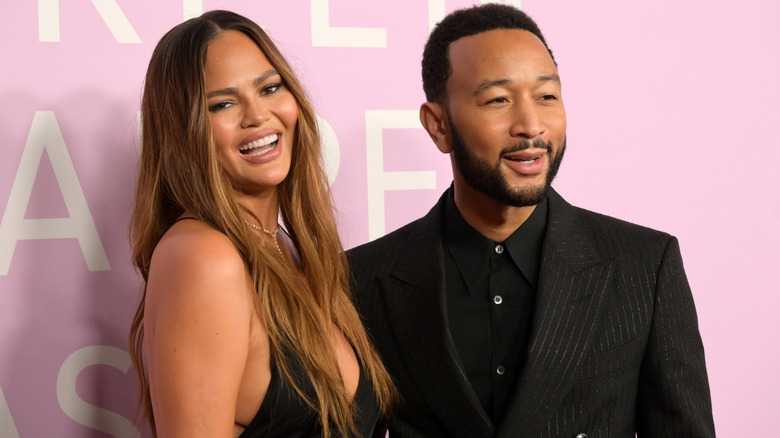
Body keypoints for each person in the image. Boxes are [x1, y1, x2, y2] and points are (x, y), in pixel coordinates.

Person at [347, 4, 715, 437]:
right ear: (439, 125)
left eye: (546, 96)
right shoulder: (359, 280)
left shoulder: (644, 266)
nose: (531, 125)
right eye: (498, 100)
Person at [128, 10, 394, 438]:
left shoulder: (285, 246)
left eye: (270, 88)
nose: (258, 115)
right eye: (223, 104)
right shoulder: (202, 257)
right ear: (184, 129)